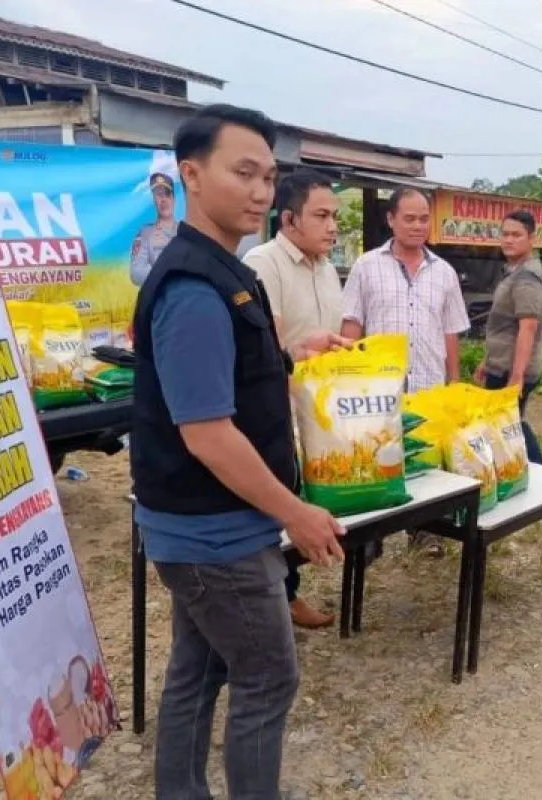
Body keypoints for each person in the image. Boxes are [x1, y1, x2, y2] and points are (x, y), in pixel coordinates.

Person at [130, 104, 347, 800]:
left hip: (209, 526)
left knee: (198, 670)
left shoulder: (223, 270)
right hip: (213, 536)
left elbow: (227, 375)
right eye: (243, 173)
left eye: (268, 177)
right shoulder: (194, 287)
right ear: (191, 175)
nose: (260, 192)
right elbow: (208, 434)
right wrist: (297, 514)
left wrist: (291, 351)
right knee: (267, 676)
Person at [341, 187, 470, 556]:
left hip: (429, 386)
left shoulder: (444, 272)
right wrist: (347, 379)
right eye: (409, 218)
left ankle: (425, 531)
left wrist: (453, 382)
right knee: (375, 458)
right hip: (379, 390)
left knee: (425, 462)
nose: (417, 226)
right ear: (391, 219)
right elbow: (352, 324)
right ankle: (369, 537)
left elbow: (450, 331)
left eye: (424, 219)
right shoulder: (367, 266)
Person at [243, 168, 345, 630]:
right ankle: (277, 600)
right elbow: (271, 348)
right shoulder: (265, 264)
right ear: (288, 219)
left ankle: (286, 594)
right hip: (278, 411)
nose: (332, 227)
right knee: (277, 508)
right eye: (321, 216)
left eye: (334, 216)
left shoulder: (326, 269)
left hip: (320, 413)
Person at [473, 209, 542, 465]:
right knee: (507, 423)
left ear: (531, 238)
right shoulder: (514, 271)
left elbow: (528, 328)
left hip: (512, 369)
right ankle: (520, 470)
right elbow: (504, 326)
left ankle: (540, 470)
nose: (508, 240)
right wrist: (487, 360)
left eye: (516, 235)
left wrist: (516, 376)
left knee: (508, 424)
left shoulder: (527, 278)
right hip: (502, 363)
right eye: (505, 234)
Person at [130, 172, 179, 287]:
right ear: (154, 200)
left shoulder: (186, 231)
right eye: (159, 195)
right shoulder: (145, 233)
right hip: (159, 296)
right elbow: (136, 273)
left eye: (167, 194)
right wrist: (169, 276)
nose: (163, 200)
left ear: (173, 198)